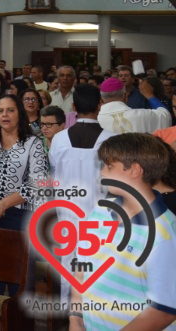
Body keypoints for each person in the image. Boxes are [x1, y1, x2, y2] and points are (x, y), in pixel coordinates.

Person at [70, 133, 176, 331]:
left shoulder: (164, 232)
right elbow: (81, 269)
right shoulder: (99, 211)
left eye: (109, 166)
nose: (102, 172)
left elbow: (164, 310)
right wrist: (75, 318)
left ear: (135, 170)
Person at [48, 84, 115, 306]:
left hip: (67, 214)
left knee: (68, 266)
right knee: (99, 268)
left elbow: (55, 171)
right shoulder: (111, 140)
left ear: (74, 107)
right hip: (101, 216)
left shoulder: (59, 139)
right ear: (100, 105)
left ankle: (70, 318)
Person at [0, 94, 47, 294]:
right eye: (0, 111)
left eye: (10, 110)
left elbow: (38, 182)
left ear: (20, 114)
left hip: (20, 216)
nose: (4, 114)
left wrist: (4, 204)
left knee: (21, 277)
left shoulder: (33, 143)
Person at [97, 77, 169, 134]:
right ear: (125, 96)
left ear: (101, 99)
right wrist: (149, 95)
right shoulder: (143, 115)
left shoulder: (95, 119)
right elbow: (165, 114)